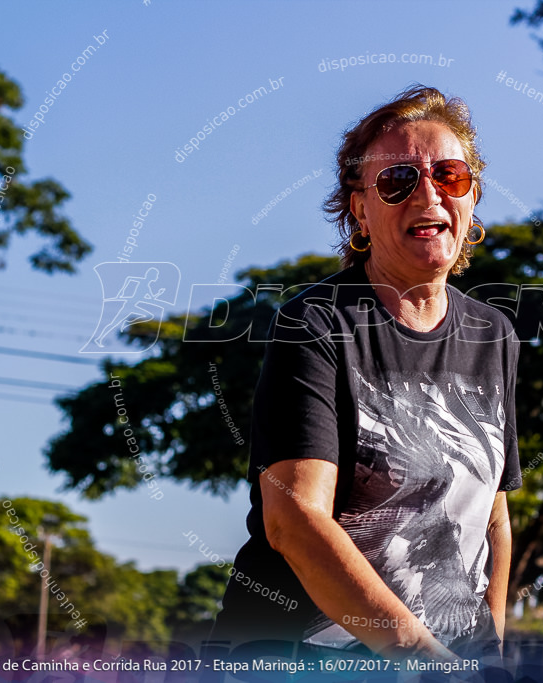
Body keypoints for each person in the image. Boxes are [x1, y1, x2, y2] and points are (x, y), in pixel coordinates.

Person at [209, 86, 521, 662]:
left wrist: (487, 653)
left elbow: (493, 518)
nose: (427, 193)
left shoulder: (493, 334)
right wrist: (419, 656)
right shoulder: (315, 325)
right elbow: (295, 519)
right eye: (397, 181)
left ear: (472, 194)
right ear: (359, 210)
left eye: (448, 176)